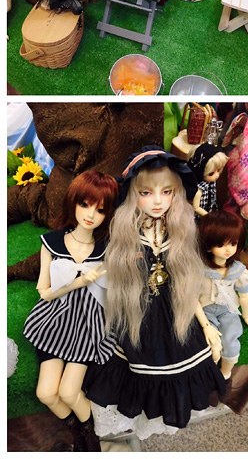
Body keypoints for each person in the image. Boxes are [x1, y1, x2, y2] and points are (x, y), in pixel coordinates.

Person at [83, 146, 226, 439]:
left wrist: (205, 325)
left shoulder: (179, 232)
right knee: (136, 364)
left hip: (176, 314)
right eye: (146, 193)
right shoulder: (126, 236)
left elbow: (184, 288)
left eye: (167, 192)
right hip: (138, 315)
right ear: (132, 195)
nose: (158, 201)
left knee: (184, 360)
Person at [23, 171, 118, 451]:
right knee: (46, 393)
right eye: (85, 204)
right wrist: (77, 282)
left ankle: (91, 434)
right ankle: (77, 429)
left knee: (68, 391)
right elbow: (44, 291)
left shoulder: (106, 248)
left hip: (88, 324)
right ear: (73, 202)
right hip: (55, 320)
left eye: (100, 210)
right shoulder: (52, 242)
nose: (90, 214)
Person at [198, 210, 248, 379]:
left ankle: (225, 374)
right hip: (205, 311)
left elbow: (243, 295)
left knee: (231, 343)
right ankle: (210, 370)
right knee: (211, 346)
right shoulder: (199, 271)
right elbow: (192, 300)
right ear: (207, 245)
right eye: (220, 245)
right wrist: (205, 325)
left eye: (233, 243)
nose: (228, 250)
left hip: (228, 310)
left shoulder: (238, 270)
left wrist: (246, 315)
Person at [187, 143, 229, 217]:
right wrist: (209, 216)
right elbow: (196, 208)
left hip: (210, 208)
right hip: (201, 216)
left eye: (218, 170)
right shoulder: (199, 190)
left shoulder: (211, 183)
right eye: (211, 174)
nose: (217, 175)